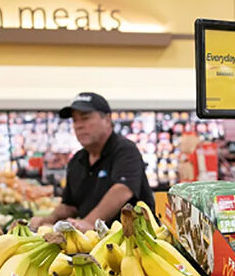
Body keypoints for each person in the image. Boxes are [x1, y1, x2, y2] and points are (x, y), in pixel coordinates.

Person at [29, 92, 154, 232]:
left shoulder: (125, 150)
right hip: (93, 243)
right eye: (75, 120)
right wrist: (47, 221)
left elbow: (123, 190)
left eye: (85, 118)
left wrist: (88, 223)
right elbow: (70, 206)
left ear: (107, 119)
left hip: (134, 240)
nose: (79, 126)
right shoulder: (77, 160)